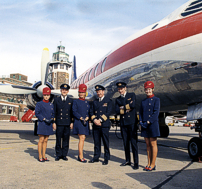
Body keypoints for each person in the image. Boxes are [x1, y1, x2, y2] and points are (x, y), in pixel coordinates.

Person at [115, 82, 139, 170]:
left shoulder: (131, 95)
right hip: (123, 123)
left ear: (125, 88)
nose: (120, 90)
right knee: (125, 143)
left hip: (132, 122)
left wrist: (122, 107)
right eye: (119, 89)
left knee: (133, 143)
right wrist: (127, 108)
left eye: (121, 89)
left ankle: (136, 162)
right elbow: (117, 111)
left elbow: (133, 105)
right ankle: (128, 160)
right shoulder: (117, 99)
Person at [139, 81, 160, 171]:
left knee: (153, 143)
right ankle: (148, 163)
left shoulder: (156, 100)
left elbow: (156, 113)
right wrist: (140, 121)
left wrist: (148, 122)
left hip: (152, 124)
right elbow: (140, 112)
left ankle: (153, 164)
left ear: (152, 89)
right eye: (146, 89)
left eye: (149, 89)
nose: (148, 91)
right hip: (144, 125)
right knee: (147, 144)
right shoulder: (143, 101)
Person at [89, 85, 112, 165]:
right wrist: (94, 120)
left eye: (100, 91)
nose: (98, 93)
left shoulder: (108, 101)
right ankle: (96, 157)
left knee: (106, 142)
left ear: (103, 91)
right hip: (96, 125)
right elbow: (91, 111)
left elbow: (108, 112)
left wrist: (100, 120)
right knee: (96, 142)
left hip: (104, 125)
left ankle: (106, 158)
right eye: (97, 91)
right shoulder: (95, 101)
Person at [53, 84, 73, 161]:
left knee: (66, 140)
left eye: (65, 90)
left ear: (68, 91)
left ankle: (64, 154)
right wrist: (54, 122)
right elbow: (54, 111)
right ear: (60, 90)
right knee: (58, 139)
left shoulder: (70, 100)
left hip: (67, 123)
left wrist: (72, 122)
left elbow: (71, 112)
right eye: (63, 90)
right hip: (59, 122)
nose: (64, 91)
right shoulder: (56, 100)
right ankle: (58, 154)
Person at [35, 87, 54, 162]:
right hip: (42, 123)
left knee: (46, 140)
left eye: (48, 95)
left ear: (49, 96)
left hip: (49, 123)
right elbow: (37, 113)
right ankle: (40, 156)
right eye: (45, 95)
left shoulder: (51, 105)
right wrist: (43, 119)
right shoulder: (39, 104)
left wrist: (52, 119)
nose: (46, 96)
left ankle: (44, 155)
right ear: (43, 95)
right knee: (41, 139)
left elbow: (53, 114)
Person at [72, 84, 90, 163]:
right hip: (79, 122)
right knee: (81, 138)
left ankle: (80, 155)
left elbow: (89, 111)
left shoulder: (87, 102)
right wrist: (81, 118)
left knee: (83, 138)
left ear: (85, 93)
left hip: (85, 122)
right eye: (80, 92)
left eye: (83, 92)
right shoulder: (75, 101)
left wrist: (88, 117)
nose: (81, 94)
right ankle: (80, 156)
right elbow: (74, 111)